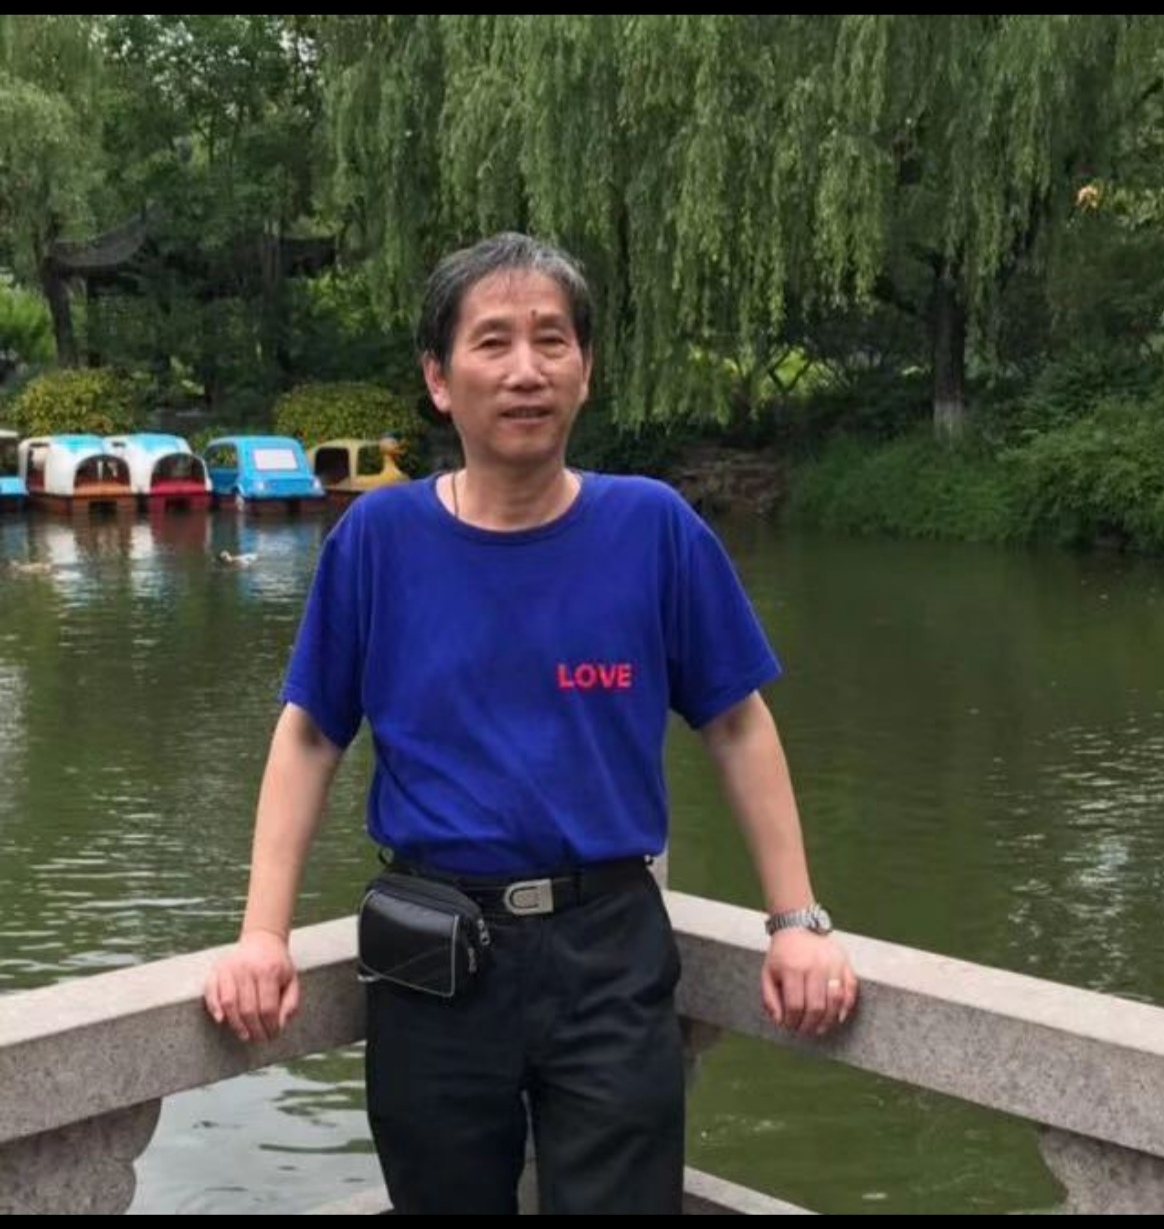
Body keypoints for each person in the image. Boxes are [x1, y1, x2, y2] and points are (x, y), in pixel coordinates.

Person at [203, 231, 858, 1215]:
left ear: (586, 371)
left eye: (553, 340)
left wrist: (796, 921)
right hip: (432, 956)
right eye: (493, 341)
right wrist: (263, 933)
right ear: (439, 378)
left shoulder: (653, 528)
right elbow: (310, 736)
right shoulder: (378, 539)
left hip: (610, 949)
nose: (526, 369)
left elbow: (737, 724)